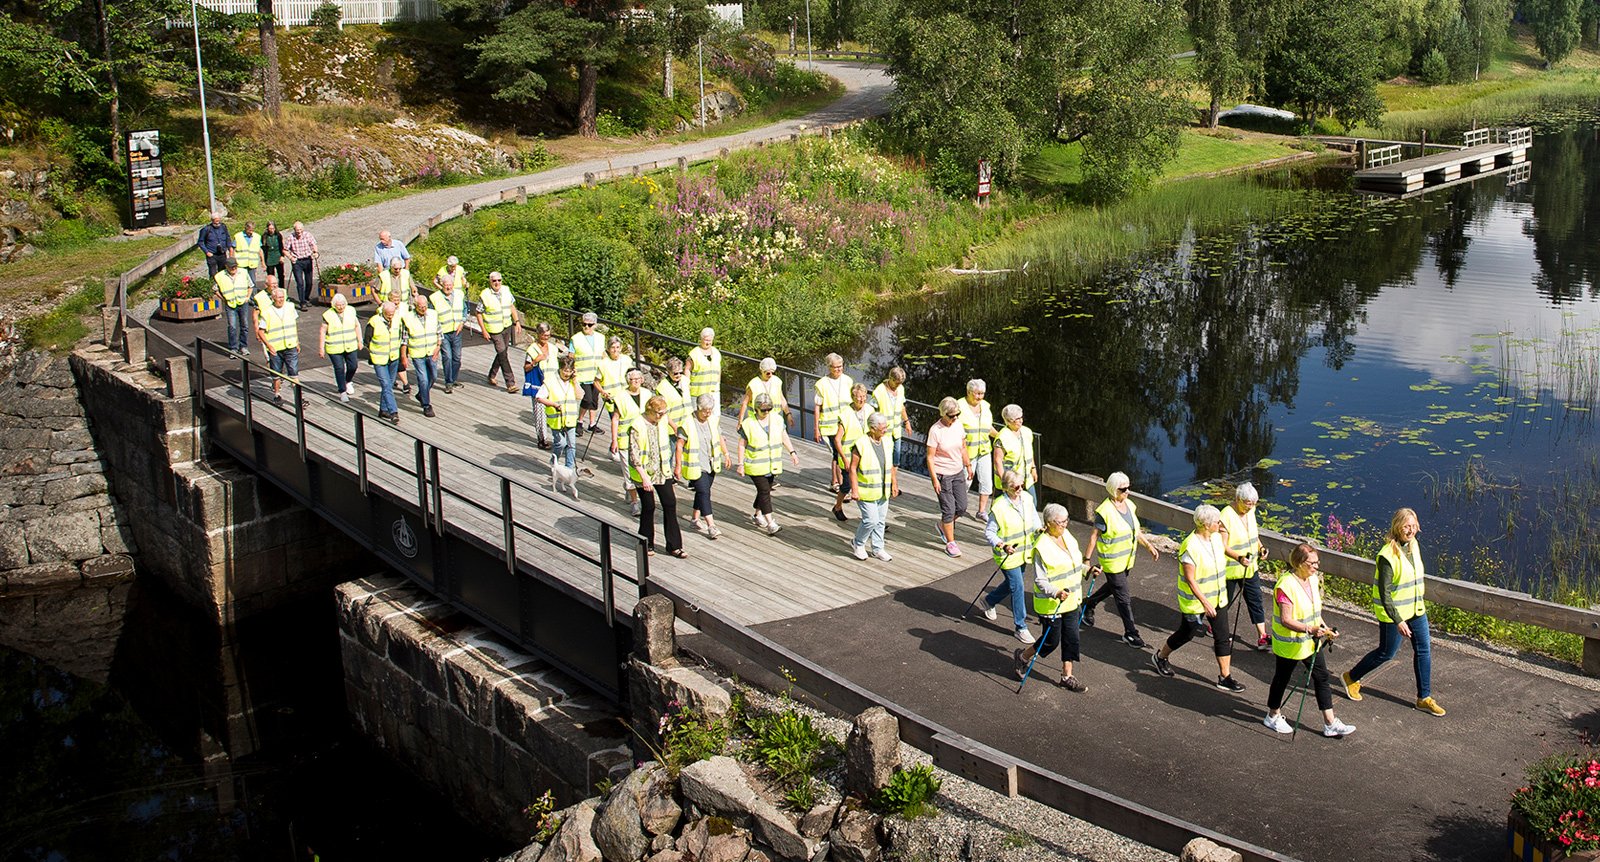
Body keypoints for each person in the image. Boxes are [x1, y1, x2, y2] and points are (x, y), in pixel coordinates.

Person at [1342, 507, 1445, 716]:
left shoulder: (1414, 545)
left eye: (1413, 525)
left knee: (1424, 650)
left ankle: (1424, 698)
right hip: (1394, 614)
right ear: (1397, 527)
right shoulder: (1387, 556)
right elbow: (1385, 595)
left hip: (1416, 609)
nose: (1411, 530)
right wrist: (1398, 620)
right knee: (1386, 653)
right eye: (1407, 526)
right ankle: (1351, 677)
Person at [1151, 505, 1247, 692]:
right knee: (1186, 634)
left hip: (1218, 598)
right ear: (1205, 524)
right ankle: (1160, 657)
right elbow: (1190, 580)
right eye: (1217, 522)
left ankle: (1225, 677)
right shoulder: (1190, 546)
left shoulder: (1216, 538)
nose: (1220, 524)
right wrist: (1205, 602)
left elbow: (1225, 549)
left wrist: (1239, 557)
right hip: (1196, 602)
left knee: (1222, 637)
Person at [1264, 544, 1357, 738]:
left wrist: (1324, 628)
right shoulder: (1286, 585)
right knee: (1282, 678)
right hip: (1290, 644)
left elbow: (1314, 611)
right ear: (1299, 563)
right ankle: (1272, 715)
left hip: (1309, 642)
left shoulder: (1312, 580)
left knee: (1321, 677)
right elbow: (1286, 620)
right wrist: (1311, 629)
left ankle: (1330, 723)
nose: (1316, 566)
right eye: (1312, 563)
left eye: (1317, 562)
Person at [1015, 503, 1090, 691]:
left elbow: (1073, 564)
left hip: (1071, 600)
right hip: (1051, 603)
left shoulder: (1067, 536)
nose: (1065, 525)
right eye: (1060, 522)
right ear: (1049, 523)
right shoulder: (1042, 547)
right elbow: (1040, 581)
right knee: (1051, 641)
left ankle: (1067, 676)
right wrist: (1056, 592)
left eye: (1066, 521)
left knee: (1071, 638)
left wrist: (1088, 570)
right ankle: (1024, 656)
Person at [1083, 471, 1161, 648]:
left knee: (1114, 588)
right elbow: (1094, 536)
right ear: (1113, 489)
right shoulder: (1104, 512)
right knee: (1123, 597)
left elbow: (1136, 530)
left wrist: (1148, 546)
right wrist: (1086, 561)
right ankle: (1130, 633)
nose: (1127, 492)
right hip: (1112, 562)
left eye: (1128, 488)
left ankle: (1088, 604)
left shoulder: (1130, 505)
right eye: (1123, 489)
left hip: (1126, 560)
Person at [979, 470, 1041, 643]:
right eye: (1016, 487)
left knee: (1012, 584)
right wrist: (1002, 545)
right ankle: (1020, 627)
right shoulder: (999, 507)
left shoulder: (1027, 498)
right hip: (1007, 554)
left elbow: (1035, 518)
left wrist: (1039, 529)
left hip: (1024, 552)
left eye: (1022, 485)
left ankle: (989, 601)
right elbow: (990, 533)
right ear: (1006, 488)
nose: (1020, 489)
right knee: (1018, 587)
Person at [629, 395, 687, 559]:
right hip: (644, 473)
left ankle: (674, 546)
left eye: (664, 413)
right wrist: (644, 478)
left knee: (670, 503)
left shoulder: (662, 421)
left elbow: (674, 432)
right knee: (648, 507)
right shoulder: (637, 425)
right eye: (659, 413)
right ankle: (646, 543)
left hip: (662, 470)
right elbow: (634, 456)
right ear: (650, 411)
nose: (662, 416)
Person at [739, 393, 799, 536]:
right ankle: (771, 523)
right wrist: (740, 463)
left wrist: (792, 452)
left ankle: (757, 514)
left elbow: (784, 436)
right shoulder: (748, 423)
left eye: (769, 409)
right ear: (756, 409)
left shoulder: (777, 419)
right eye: (763, 410)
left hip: (772, 464)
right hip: (755, 464)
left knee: (764, 490)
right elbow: (742, 445)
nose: (766, 412)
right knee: (765, 491)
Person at [1221, 482, 1270, 651]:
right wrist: (1238, 557)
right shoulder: (1225, 515)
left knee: (1255, 600)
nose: (1250, 508)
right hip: (1230, 569)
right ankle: (1217, 626)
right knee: (1223, 602)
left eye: (1253, 504)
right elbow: (1223, 546)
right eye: (1247, 504)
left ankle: (1262, 636)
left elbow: (1252, 535)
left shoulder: (1251, 511)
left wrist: (1261, 548)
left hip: (1250, 567)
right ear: (1237, 499)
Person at [679, 394, 730, 540]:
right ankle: (711, 526)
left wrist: (726, 453)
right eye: (705, 411)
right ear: (698, 408)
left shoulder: (712, 420)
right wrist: (677, 466)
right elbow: (679, 446)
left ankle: (695, 519)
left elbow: (719, 437)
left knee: (702, 492)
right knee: (704, 492)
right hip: (696, 464)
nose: (708, 413)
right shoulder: (688, 422)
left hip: (711, 463)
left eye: (710, 410)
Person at [926, 397, 972, 558]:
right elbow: (930, 457)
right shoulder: (935, 430)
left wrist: (968, 465)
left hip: (958, 471)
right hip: (942, 474)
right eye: (951, 416)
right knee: (949, 509)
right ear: (943, 414)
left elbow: (963, 447)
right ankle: (950, 543)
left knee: (962, 507)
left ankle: (942, 526)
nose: (955, 418)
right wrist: (934, 480)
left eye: (957, 414)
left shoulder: (958, 425)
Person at [847, 412, 896, 561]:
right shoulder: (861, 443)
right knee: (871, 520)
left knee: (881, 521)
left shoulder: (887, 441)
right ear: (872, 428)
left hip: (883, 490)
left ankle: (878, 548)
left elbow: (891, 465)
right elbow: (853, 468)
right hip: (866, 491)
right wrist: (854, 490)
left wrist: (894, 483)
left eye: (886, 427)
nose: (885, 430)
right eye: (882, 428)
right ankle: (858, 543)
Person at [609, 369, 650, 514]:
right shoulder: (620, 397)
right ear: (628, 381)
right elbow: (615, 419)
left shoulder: (647, 394)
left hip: (643, 439)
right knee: (628, 470)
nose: (636, 381)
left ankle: (632, 490)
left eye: (638, 378)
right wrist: (614, 440)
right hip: (625, 438)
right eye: (633, 379)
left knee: (642, 469)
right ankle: (634, 501)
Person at [830, 383, 872, 521]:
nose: (861, 399)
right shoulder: (845, 414)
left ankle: (872, 517)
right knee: (847, 485)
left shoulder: (870, 410)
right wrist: (844, 458)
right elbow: (837, 440)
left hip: (865, 457)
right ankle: (837, 507)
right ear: (852, 397)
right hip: (848, 457)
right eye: (858, 397)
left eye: (864, 396)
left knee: (865, 484)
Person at [814, 353, 854, 493]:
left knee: (838, 454)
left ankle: (835, 481)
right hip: (829, 426)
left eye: (840, 367)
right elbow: (817, 406)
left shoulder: (848, 381)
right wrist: (816, 428)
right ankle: (842, 485)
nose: (838, 369)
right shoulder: (822, 384)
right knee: (838, 454)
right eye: (835, 367)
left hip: (845, 425)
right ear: (829, 367)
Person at [958, 379, 997, 522]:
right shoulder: (959, 406)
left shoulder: (985, 406)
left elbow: (988, 427)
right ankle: (957, 508)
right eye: (977, 394)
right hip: (967, 452)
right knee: (964, 482)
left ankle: (981, 511)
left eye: (982, 394)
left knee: (987, 481)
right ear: (969, 392)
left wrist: (1000, 437)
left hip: (984, 450)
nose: (980, 397)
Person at [476, 271, 522, 392]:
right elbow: (478, 313)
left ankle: (492, 375)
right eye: (494, 281)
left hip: (506, 326)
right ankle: (510, 383)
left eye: (499, 280)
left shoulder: (506, 290)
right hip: (494, 329)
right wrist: (484, 330)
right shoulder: (485, 295)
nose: (497, 283)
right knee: (502, 353)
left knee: (503, 352)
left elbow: (512, 306)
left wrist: (517, 321)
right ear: (490, 282)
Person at [256, 287, 299, 406]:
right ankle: (276, 394)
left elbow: (294, 325)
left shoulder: (290, 307)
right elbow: (261, 331)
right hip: (275, 348)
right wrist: (269, 346)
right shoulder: (267, 312)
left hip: (290, 345)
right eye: (278, 297)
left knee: (294, 373)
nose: (281, 300)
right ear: (273, 298)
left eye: (282, 297)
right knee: (276, 374)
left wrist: (297, 341)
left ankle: (298, 398)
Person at [536, 355, 581, 470]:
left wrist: (575, 381)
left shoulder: (573, 381)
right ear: (560, 369)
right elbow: (539, 397)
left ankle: (569, 468)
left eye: (570, 371)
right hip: (556, 419)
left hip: (570, 419)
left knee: (571, 445)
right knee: (561, 443)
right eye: (565, 370)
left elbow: (580, 395)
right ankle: (554, 460)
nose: (567, 374)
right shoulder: (550, 381)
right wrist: (554, 404)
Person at [522, 322, 563, 448]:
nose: (546, 338)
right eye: (544, 335)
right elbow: (526, 368)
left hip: (553, 383)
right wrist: (535, 361)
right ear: (538, 334)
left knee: (555, 410)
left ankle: (558, 437)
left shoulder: (553, 348)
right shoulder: (532, 349)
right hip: (539, 384)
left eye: (548, 335)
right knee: (540, 413)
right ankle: (542, 439)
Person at [400, 294, 440, 418]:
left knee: (433, 376)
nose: (423, 309)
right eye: (421, 307)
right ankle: (426, 405)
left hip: (431, 351)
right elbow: (404, 339)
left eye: (425, 306)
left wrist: (438, 347)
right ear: (415, 306)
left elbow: (439, 332)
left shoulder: (433, 314)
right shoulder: (408, 318)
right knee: (423, 379)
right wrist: (403, 356)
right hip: (417, 353)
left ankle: (422, 394)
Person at [319, 293, 363, 403]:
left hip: (350, 344)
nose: (341, 307)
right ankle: (342, 391)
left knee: (353, 366)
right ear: (334, 305)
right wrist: (321, 348)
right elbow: (323, 331)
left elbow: (357, 326)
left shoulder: (351, 310)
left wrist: (360, 340)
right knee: (339, 368)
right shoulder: (328, 315)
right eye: (338, 305)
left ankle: (348, 381)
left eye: (343, 304)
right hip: (334, 346)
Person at [993, 404, 1037, 505]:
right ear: (1009, 421)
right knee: (1011, 506)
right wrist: (1005, 482)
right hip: (1012, 480)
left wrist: (1033, 468)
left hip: (1027, 477)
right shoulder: (1002, 437)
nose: (1021, 420)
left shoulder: (1027, 431)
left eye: (1021, 417)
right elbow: (997, 461)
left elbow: (1029, 451)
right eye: (1017, 419)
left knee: (1032, 503)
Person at [431, 272, 466, 394]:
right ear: (441, 285)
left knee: (457, 358)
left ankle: (453, 378)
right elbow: (431, 315)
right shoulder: (434, 298)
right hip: (443, 332)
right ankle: (448, 382)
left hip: (457, 330)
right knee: (448, 357)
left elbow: (465, 309)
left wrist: (462, 322)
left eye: (450, 285)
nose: (448, 287)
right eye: (446, 285)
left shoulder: (460, 294)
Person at [871, 366, 912, 470]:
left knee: (896, 460)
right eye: (897, 383)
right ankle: (888, 482)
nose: (898, 386)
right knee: (885, 460)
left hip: (896, 431)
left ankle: (893, 482)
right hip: (883, 433)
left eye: (900, 383)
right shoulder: (879, 392)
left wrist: (907, 421)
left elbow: (901, 406)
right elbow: (872, 412)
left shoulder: (901, 389)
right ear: (891, 379)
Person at [571, 311, 605, 433]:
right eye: (584, 324)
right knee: (587, 399)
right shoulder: (575, 338)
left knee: (595, 400)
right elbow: (571, 356)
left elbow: (603, 355)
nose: (586, 327)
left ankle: (592, 423)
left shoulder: (601, 338)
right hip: (582, 375)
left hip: (596, 375)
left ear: (595, 325)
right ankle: (579, 421)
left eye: (589, 325)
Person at [368, 301, 402, 423]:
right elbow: (367, 340)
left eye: (392, 314)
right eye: (388, 314)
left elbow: (401, 336)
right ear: (383, 312)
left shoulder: (398, 320)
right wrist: (372, 354)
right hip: (379, 359)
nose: (390, 316)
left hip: (393, 357)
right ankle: (393, 412)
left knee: (388, 385)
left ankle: (383, 409)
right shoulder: (374, 321)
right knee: (387, 385)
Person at [212, 255, 251, 355]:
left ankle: (243, 346)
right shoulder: (220, 276)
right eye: (231, 267)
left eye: (235, 266)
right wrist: (223, 299)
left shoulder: (243, 272)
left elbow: (250, 286)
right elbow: (215, 289)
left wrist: (247, 297)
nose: (234, 268)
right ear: (226, 266)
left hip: (242, 302)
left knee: (244, 326)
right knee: (232, 326)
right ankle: (233, 348)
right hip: (230, 304)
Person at [595, 336, 634, 433]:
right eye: (613, 347)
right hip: (612, 399)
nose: (615, 350)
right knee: (617, 424)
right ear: (608, 349)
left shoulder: (627, 360)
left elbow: (634, 375)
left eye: (617, 347)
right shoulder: (603, 364)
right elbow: (596, 381)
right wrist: (602, 391)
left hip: (627, 396)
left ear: (621, 348)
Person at [741, 357, 788, 423]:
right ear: (761, 371)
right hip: (757, 420)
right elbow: (744, 403)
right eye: (768, 373)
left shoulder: (777, 381)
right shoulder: (754, 384)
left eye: (772, 373)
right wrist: (740, 421)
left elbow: (782, 399)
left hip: (774, 419)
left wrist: (788, 414)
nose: (770, 375)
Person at [686, 327, 722, 409]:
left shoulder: (716, 352)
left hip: (713, 392)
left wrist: (718, 383)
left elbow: (718, 369)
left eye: (710, 340)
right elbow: (687, 369)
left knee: (714, 416)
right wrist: (687, 385)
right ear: (701, 339)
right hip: (697, 393)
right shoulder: (694, 353)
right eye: (706, 340)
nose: (708, 342)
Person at [286, 221, 318, 308]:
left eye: (300, 230)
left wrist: (315, 252)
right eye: (297, 231)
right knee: (300, 282)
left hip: (307, 260)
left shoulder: (307, 235)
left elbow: (313, 244)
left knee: (309, 282)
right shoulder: (290, 238)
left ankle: (306, 297)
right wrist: (290, 257)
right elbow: (285, 250)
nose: (299, 232)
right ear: (294, 230)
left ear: (303, 229)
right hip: (297, 262)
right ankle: (302, 302)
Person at [656, 357, 691, 429]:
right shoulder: (662, 388)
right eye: (675, 373)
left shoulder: (685, 380)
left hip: (687, 425)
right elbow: (662, 412)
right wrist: (674, 427)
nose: (678, 375)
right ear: (669, 372)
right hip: (671, 428)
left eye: (680, 372)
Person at [198, 211, 233, 277]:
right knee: (213, 273)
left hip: (222, 254)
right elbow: (200, 242)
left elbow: (227, 238)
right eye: (215, 221)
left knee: (223, 273)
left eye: (218, 220)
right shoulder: (206, 229)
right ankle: (213, 286)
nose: (217, 222)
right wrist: (207, 252)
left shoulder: (223, 227)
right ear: (212, 220)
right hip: (212, 254)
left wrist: (230, 248)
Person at [232, 221, 261, 288]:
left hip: (252, 263)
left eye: (252, 230)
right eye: (249, 230)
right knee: (241, 281)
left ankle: (253, 296)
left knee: (252, 281)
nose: (251, 232)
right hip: (241, 263)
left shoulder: (257, 236)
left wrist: (263, 262)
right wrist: (232, 259)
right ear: (246, 228)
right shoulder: (238, 236)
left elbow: (260, 250)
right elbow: (232, 248)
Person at [260, 221, 285, 291]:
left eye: (273, 229)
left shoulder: (278, 235)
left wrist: (282, 256)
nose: (272, 230)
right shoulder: (264, 236)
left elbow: (282, 246)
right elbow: (262, 249)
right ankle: (272, 291)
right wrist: (263, 262)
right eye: (270, 229)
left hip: (278, 256)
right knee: (271, 276)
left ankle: (282, 290)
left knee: (281, 275)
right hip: (269, 258)